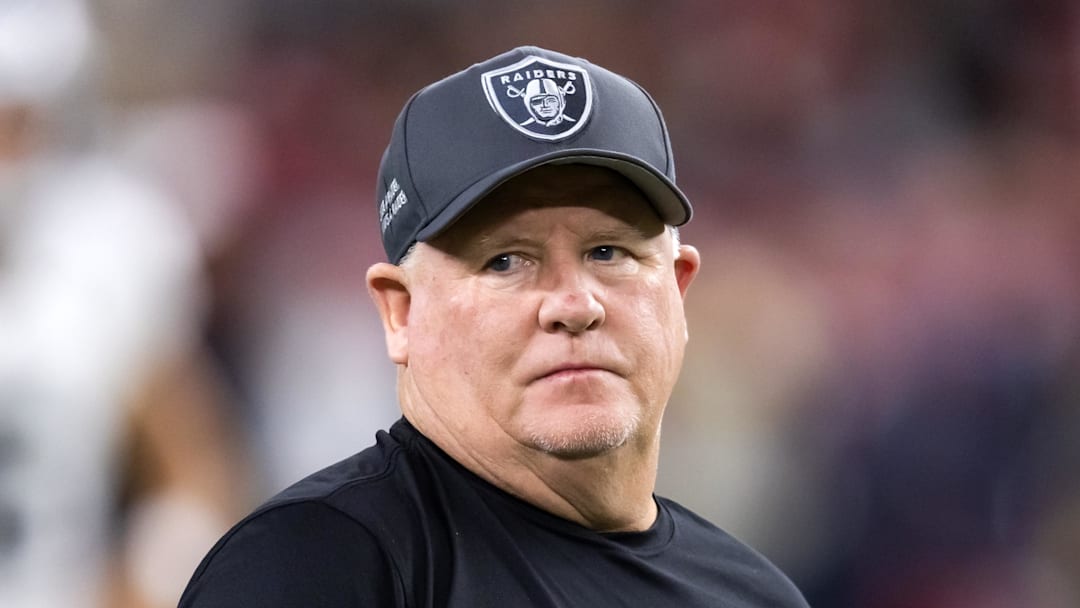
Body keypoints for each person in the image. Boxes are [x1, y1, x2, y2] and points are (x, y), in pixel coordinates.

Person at [178, 45, 809, 607]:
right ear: (401, 313)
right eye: (506, 260)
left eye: (608, 252)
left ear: (677, 290)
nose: (573, 304)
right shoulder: (318, 564)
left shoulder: (753, 593)